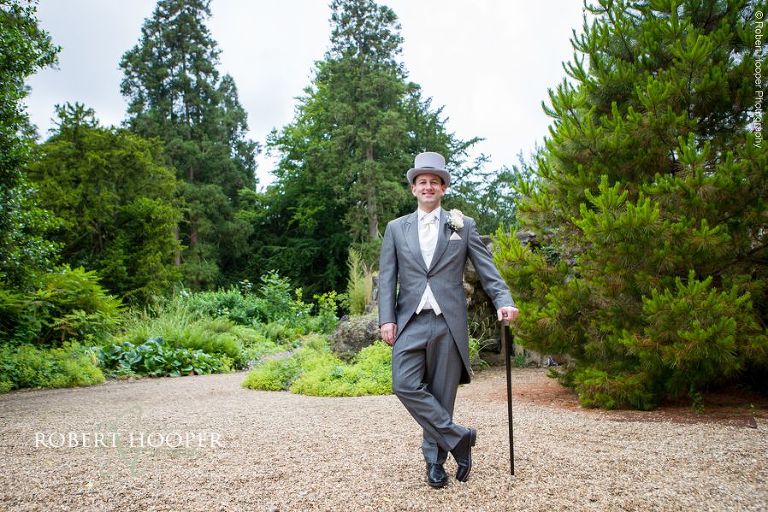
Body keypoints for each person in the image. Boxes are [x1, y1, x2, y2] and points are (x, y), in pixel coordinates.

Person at [378, 151, 519, 488]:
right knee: (404, 384)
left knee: (442, 395)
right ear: (413, 189)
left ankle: (434, 461)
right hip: (410, 320)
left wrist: (505, 300)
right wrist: (386, 319)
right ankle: (460, 438)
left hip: (448, 322)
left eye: (434, 182)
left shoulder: (463, 226)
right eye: (422, 182)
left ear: (443, 188)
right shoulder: (396, 229)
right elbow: (387, 278)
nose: (428, 187)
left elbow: (487, 270)